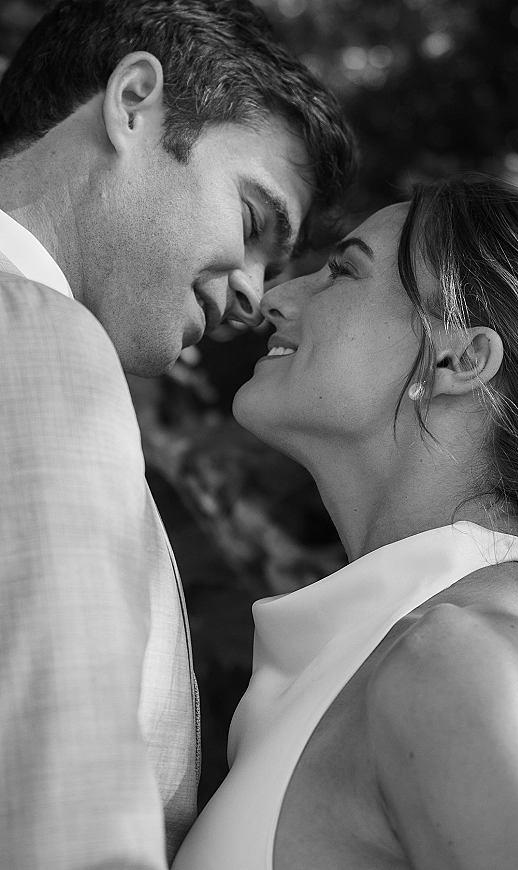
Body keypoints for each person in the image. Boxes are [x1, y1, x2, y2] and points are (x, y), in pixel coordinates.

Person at [0, 1, 356, 868]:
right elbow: (70, 803)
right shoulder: (40, 338)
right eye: (253, 221)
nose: (253, 294)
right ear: (132, 102)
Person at [174, 175, 518, 870]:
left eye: (342, 272)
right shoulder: (410, 644)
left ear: (458, 361)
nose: (274, 296)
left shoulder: (462, 656)